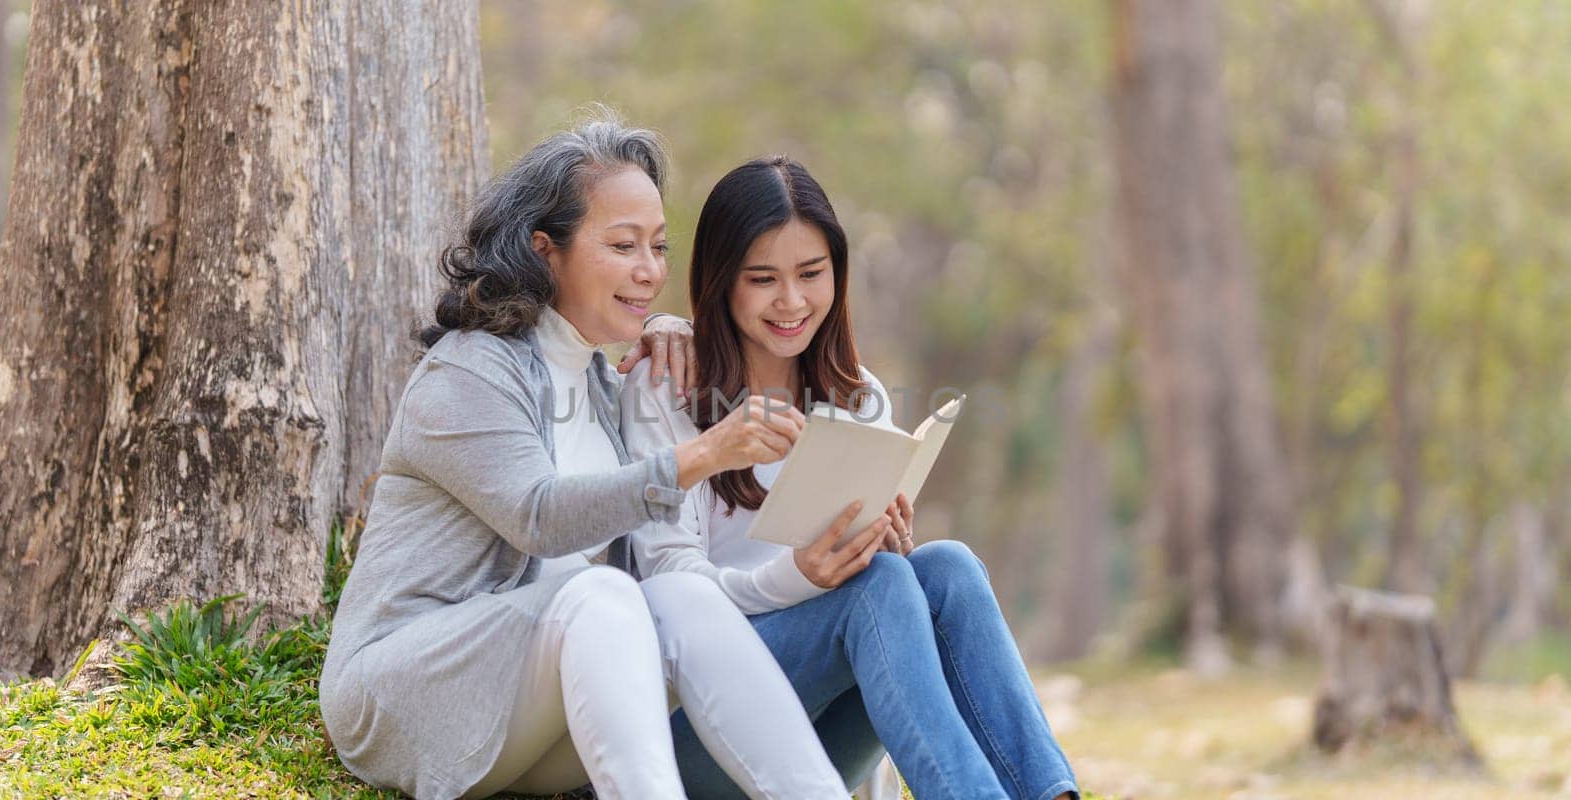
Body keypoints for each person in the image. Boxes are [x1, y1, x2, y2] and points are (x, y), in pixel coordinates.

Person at [319, 119, 850, 800]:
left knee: (677, 592)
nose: (651, 270)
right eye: (624, 245)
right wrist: (705, 454)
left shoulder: (603, 384)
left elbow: (642, 570)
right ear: (547, 253)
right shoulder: (472, 370)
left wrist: (666, 328)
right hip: (405, 693)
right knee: (603, 594)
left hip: (530, 717)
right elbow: (539, 516)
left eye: (659, 246)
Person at [620, 155, 1080, 800]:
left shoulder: (858, 399)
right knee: (882, 586)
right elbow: (670, 587)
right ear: (722, 282)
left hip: (819, 736)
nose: (792, 301)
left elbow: (882, 604)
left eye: (812, 273)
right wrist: (798, 578)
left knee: (944, 568)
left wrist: (878, 542)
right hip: (702, 731)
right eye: (763, 280)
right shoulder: (667, 385)